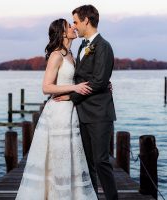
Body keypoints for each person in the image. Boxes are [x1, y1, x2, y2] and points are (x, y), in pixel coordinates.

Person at [15, 18, 97, 200]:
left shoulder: (70, 54)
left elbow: (80, 80)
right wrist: (74, 88)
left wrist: (103, 85)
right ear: (61, 32)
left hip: (70, 110)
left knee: (71, 156)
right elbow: (47, 87)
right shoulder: (56, 55)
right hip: (58, 112)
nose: (73, 27)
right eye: (69, 26)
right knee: (58, 157)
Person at [54, 4, 118, 200]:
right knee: (88, 162)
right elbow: (80, 77)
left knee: (101, 161)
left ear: (86, 21)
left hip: (99, 114)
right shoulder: (82, 46)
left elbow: (99, 80)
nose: (74, 26)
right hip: (82, 113)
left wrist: (70, 96)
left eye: (75, 21)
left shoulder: (103, 46)